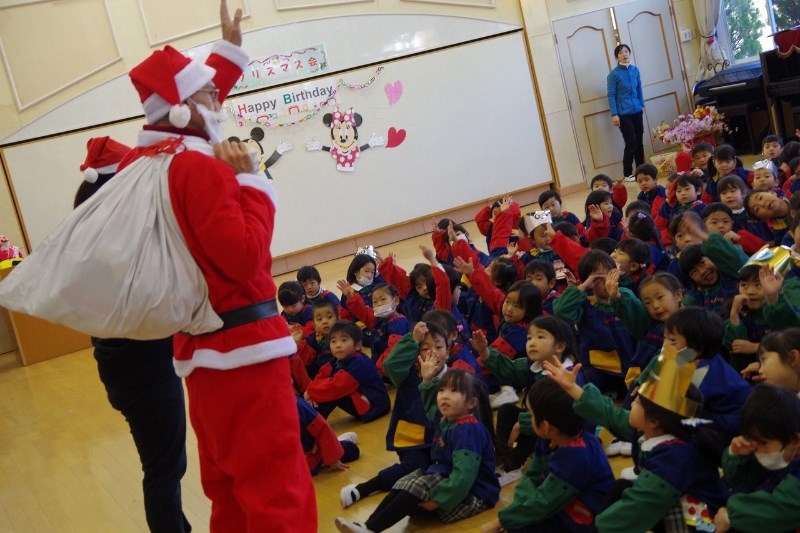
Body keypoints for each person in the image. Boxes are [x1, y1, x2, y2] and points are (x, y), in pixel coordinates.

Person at [120, 2, 316, 529]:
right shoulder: (200, 171)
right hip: (246, 352)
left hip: (201, 354)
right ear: (184, 108)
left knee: (228, 488)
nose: (219, 100)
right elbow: (246, 258)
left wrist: (227, 52)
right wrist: (252, 181)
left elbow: (196, 112)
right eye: (209, 93)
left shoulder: (146, 161)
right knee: (277, 487)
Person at [75, 136, 192, 533]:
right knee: (164, 470)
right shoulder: (123, 245)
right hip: (147, 374)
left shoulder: (90, 239)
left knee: (163, 465)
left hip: (122, 372)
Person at [544, 347, 727, 533]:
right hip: (677, 505)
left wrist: (597, 529)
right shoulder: (658, 430)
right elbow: (611, 415)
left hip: (702, 524)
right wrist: (572, 388)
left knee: (627, 503)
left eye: (638, 401)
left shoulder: (674, 457)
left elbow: (638, 507)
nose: (631, 403)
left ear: (654, 421)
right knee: (622, 488)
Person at [334, 368, 500, 532]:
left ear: (471, 403)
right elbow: (429, 409)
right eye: (441, 390)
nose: (445, 396)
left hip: (475, 493)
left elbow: (463, 477)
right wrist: (427, 382)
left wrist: (438, 500)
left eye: (454, 391)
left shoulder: (468, 431)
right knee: (405, 483)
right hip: (448, 477)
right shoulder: (448, 420)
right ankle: (367, 525)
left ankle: (371, 529)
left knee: (417, 487)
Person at [479, 379, 614, 533]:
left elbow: (544, 502)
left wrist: (502, 521)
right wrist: (519, 507)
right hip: (559, 507)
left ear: (545, 426)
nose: (528, 418)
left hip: (586, 521)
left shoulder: (577, 455)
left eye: (531, 414)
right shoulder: (548, 439)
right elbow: (532, 477)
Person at [339, 321, 448, 508]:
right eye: (425, 349)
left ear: (449, 350)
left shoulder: (454, 378)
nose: (433, 353)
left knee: (438, 471)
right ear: (415, 355)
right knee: (415, 467)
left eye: (439, 347)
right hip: (413, 441)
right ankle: (363, 488)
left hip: (442, 443)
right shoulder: (408, 375)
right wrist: (412, 340)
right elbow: (390, 364)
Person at [713, 384, 800, 532]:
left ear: (795, 440)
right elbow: (739, 480)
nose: (758, 450)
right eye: (752, 440)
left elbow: (778, 509)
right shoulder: (774, 456)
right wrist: (735, 455)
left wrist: (731, 516)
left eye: (763, 442)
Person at [304, 321, 390, 422]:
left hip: (374, 406)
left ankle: (311, 422)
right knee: (327, 388)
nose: (338, 345)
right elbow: (323, 374)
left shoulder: (359, 363)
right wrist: (311, 391)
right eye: (333, 341)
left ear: (358, 345)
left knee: (333, 391)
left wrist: (312, 392)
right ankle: (309, 418)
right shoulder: (337, 360)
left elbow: (337, 386)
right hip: (361, 400)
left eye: (344, 340)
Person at [296, 393, 360, 476]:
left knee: (352, 450)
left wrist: (333, 458)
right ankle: (337, 442)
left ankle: (336, 443)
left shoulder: (297, 405)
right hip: (302, 461)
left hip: (311, 454)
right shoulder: (296, 404)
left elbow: (321, 428)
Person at [607, 43, 645, 180]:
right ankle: (628, 173)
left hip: (637, 111)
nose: (624, 54)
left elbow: (639, 88)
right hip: (623, 114)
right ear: (617, 57)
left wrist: (641, 105)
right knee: (631, 143)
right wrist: (614, 114)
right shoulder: (613, 75)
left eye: (626, 51)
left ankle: (641, 169)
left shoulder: (635, 70)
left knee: (639, 140)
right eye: (621, 52)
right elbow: (611, 95)